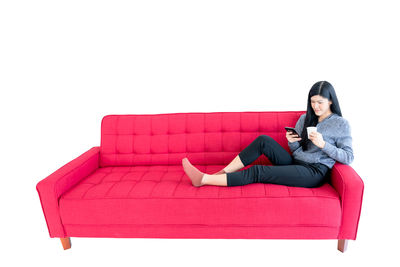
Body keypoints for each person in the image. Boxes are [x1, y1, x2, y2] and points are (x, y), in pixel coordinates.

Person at [182, 81, 354, 188]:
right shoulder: (305, 118)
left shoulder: (341, 124)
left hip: (314, 172)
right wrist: (292, 142)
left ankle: (204, 179)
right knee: (263, 140)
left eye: (320, 102)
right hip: (296, 162)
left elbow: (348, 157)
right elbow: (296, 152)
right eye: (313, 102)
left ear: (331, 100)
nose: (315, 107)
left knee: (258, 171)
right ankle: (221, 173)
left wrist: (324, 145)